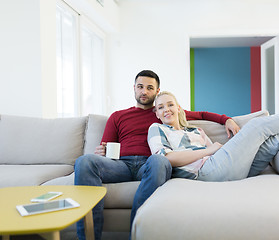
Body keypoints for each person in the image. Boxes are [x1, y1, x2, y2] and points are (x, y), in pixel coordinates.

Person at [74, 70, 240, 240]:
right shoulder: (118, 116)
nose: (144, 91)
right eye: (140, 87)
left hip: (150, 164)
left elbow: (203, 115)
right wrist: (102, 151)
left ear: (157, 91)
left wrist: (226, 119)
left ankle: (135, 233)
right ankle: (87, 237)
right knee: (84, 162)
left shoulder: (163, 111)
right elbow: (106, 147)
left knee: (159, 160)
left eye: (149, 88)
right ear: (134, 88)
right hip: (121, 165)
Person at [148, 79, 279, 182]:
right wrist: (208, 151)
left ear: (178, 108)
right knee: (257, 126)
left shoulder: (194, 131)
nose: (166, 109)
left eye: (170, 104)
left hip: (223, 165)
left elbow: (219, 150)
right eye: (161, 107)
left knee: (273, 143)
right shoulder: (156, 128)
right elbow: (167, 158)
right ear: (156, 113)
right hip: (205, 174)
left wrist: (221, 148)